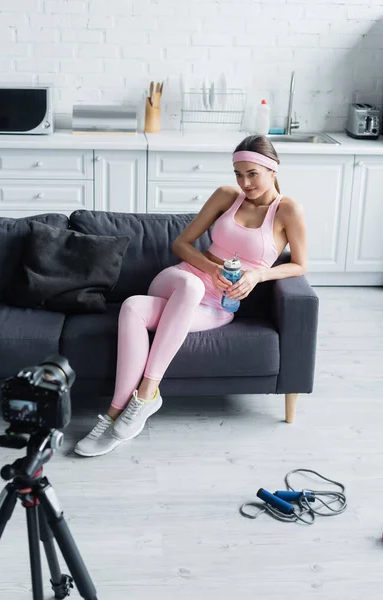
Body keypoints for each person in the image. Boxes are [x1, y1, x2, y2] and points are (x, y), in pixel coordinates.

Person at [74, 135, 307, 458]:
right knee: (191, 286)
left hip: (217, 307)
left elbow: (299, 264)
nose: (244, 182)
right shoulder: (228, 197)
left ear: (272, 169)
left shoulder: (288, 211)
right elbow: (181, 245)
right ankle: (146, 394)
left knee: (132, 307)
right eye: (238, 174)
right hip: (179, 279)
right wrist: (211, 270)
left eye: (252, 173)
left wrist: (258, 274)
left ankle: (115, 412)